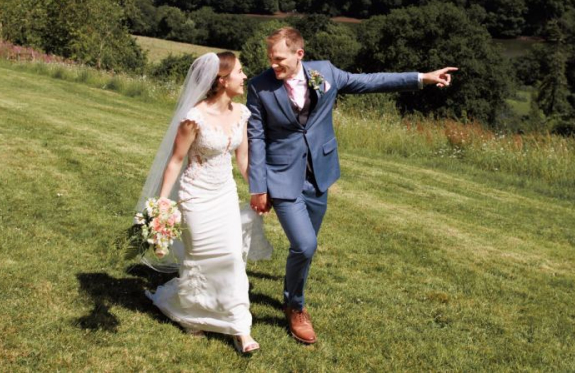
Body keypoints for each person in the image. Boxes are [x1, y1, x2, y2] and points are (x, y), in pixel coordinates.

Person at [246, 27, 456, 345]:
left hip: (320, 175)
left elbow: (370, 81)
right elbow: (256, 138)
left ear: (298, 54)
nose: (273, 65)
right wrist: (258, 186)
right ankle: (296, 308)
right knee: (305, 245)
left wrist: (422, 78)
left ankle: (290, 296)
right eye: (270, 59)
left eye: (279, 59)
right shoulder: (260, 87)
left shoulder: (324, 73)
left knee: (304, 248)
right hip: (282, 177)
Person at [139, 51, 269, 355]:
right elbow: (175, 161)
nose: (244, 76)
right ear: (222, 80)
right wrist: (162, 204)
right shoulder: (194, 117)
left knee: (233, 258)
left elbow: (244, 159)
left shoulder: (242, 114)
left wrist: (258, 191)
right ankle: (193, 313)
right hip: (195, 196)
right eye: (240, 71)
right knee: (198, 260)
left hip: (224, 194)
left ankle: (240, 327)